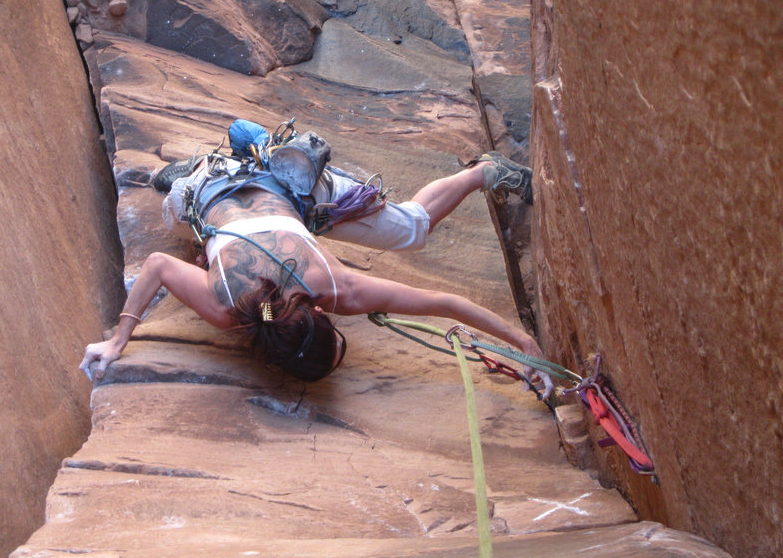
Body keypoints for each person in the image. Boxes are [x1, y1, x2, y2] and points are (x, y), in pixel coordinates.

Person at [80, 119, 552, 395]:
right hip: (220, 193)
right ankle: (223, 162)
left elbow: (444, 303)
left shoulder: (336, 289)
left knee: (412, 228)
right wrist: (119, 339)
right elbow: (160, 269)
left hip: (293, 191)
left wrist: (525, 345)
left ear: (322, 317)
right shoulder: (229, 310)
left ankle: (486, 172)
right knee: (178, 214)